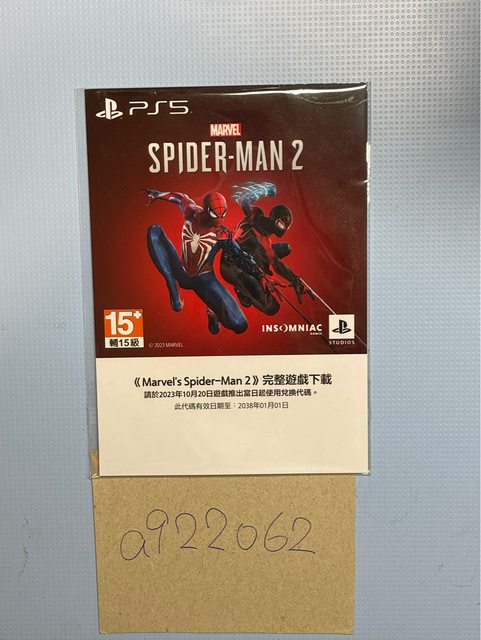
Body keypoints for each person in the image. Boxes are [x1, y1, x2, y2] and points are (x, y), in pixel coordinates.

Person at [145, 188, 262, 334]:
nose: (219, 219)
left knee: (240, 324)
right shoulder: (191, 212)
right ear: (206, 210)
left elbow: (240, 256)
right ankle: (171, 281)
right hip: (182, 272)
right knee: (154, 231)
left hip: (204, 280)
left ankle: (213, 312)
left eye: (223, 214)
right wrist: (158, 194)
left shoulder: (221, 233)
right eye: (215, 214)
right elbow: (180, 197)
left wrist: (259, 274)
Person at [220, 182, 314, 315]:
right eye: (281, 224)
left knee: (285, 248)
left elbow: (245, 200)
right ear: (275, 220)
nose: (283, 229)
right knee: (271, 308)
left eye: (287, 226)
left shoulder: (256, 215)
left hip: (249, 256)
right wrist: (264, 189)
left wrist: (263, 190)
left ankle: (252, 281)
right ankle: (241, 289)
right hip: (231, 266)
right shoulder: (261, 237)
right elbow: (276, 263)